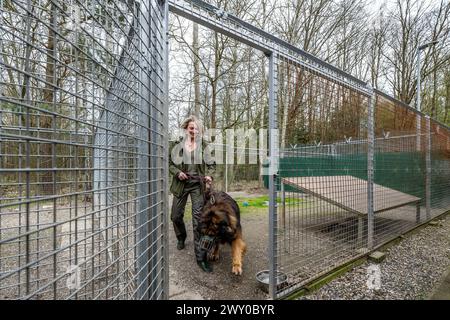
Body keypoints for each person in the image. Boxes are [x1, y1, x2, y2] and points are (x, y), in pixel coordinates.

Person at [169, 115, 215, 272]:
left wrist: (209, 175)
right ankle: (181, 237)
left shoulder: (205, 145)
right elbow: (169, 163)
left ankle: (201, 257)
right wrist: (177, 173)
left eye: (196, 128)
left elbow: (211, 164)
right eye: (191, 128)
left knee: (198, 220)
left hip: (197, 186)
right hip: (181, 185)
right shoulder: (176, 145)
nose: (193, 130)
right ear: (185, 128)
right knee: (175, 216)